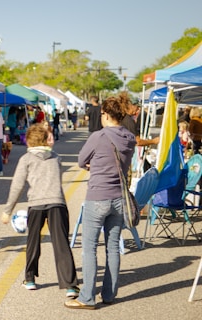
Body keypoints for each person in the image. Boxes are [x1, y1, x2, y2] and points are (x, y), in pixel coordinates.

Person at [65, 97, 136, 310]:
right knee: (113, 247)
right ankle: (109, 294)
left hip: (97, 197)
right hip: (119, 199)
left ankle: (87, 297)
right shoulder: (130, 138)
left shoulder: (99, 136)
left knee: (89, 248)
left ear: (105, 114)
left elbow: (80, 160)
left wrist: (93, 166)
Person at [1, 123, 80, 298]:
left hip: (36, 203)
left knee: (33, 241)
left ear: (28, 142)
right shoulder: (56, 157)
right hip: (57, 202)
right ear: (45, 139)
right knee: (61, 243)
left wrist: (8, 210)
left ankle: (30, 279)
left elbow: (17, 186)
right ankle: (70, 285)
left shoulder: (26, 160)